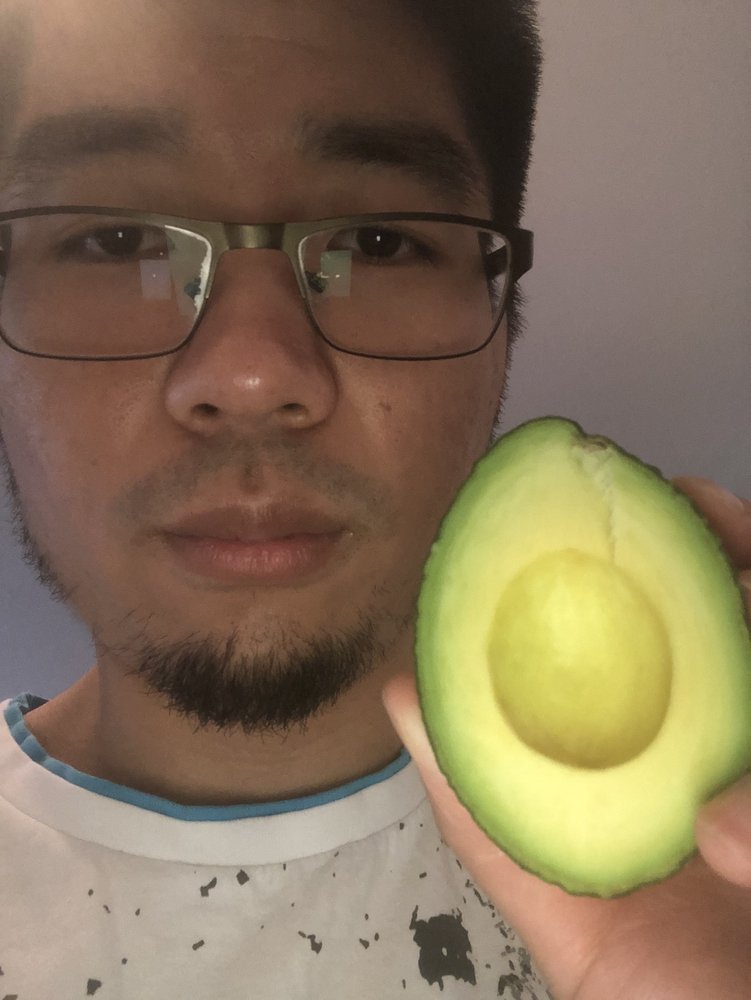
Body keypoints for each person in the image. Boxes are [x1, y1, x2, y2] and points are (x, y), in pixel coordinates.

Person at [0, 0, 749, 997]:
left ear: (502, 322)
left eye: (377, 240)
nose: (254, 374)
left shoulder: (708, 890)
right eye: (117, 239)